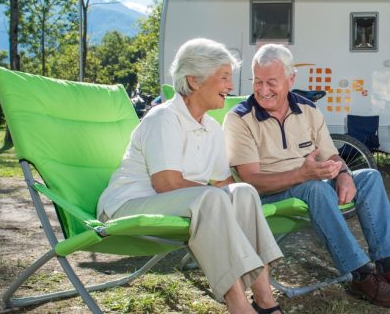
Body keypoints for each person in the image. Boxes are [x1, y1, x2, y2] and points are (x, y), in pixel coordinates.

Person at [223, 44, 390, 308]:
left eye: (272, 82)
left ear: (291, 79)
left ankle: (388, 265)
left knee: (368, 177)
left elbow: (331, 156)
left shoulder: (307, 110)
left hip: (308, 180)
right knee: (316, 188)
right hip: (269, 195)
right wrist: (302, 173)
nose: (263, 90)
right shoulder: (240, 118)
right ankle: (360, 274)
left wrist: (343, 173)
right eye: (258, 81)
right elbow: (251, 181)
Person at [97, 38, 284, 314]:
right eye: (223, 78)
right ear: (194, 80)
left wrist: (245, 200)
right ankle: (238, 305)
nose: (230, 87)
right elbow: (167, 183)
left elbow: (224, 184)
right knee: (211, 198)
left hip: (178, 207)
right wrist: (218, 198)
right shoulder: (164, 118)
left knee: (243, 192)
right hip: (127, 207)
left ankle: (266, 299)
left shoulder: (211, 128)